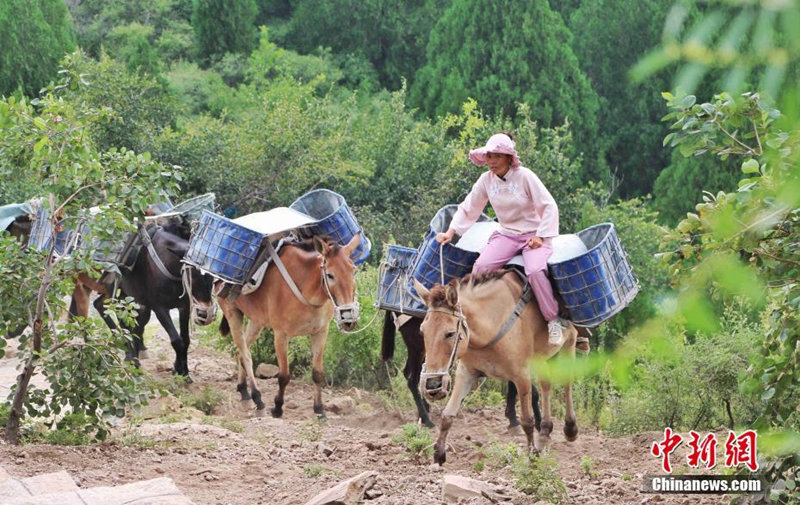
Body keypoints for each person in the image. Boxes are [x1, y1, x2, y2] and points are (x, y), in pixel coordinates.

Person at [436, 132, 565, 344]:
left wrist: (541, 236)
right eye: (488, 157)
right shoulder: (486, 180)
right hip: (507, 234)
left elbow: (549, 206)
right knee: (480, 269)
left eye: (496, 156)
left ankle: (553, 321)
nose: (491, 162)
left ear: (508, 158)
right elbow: (470, 207)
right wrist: (451, 232)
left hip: (534, 235)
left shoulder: (525, 176)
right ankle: (480, 318)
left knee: (535, 271)